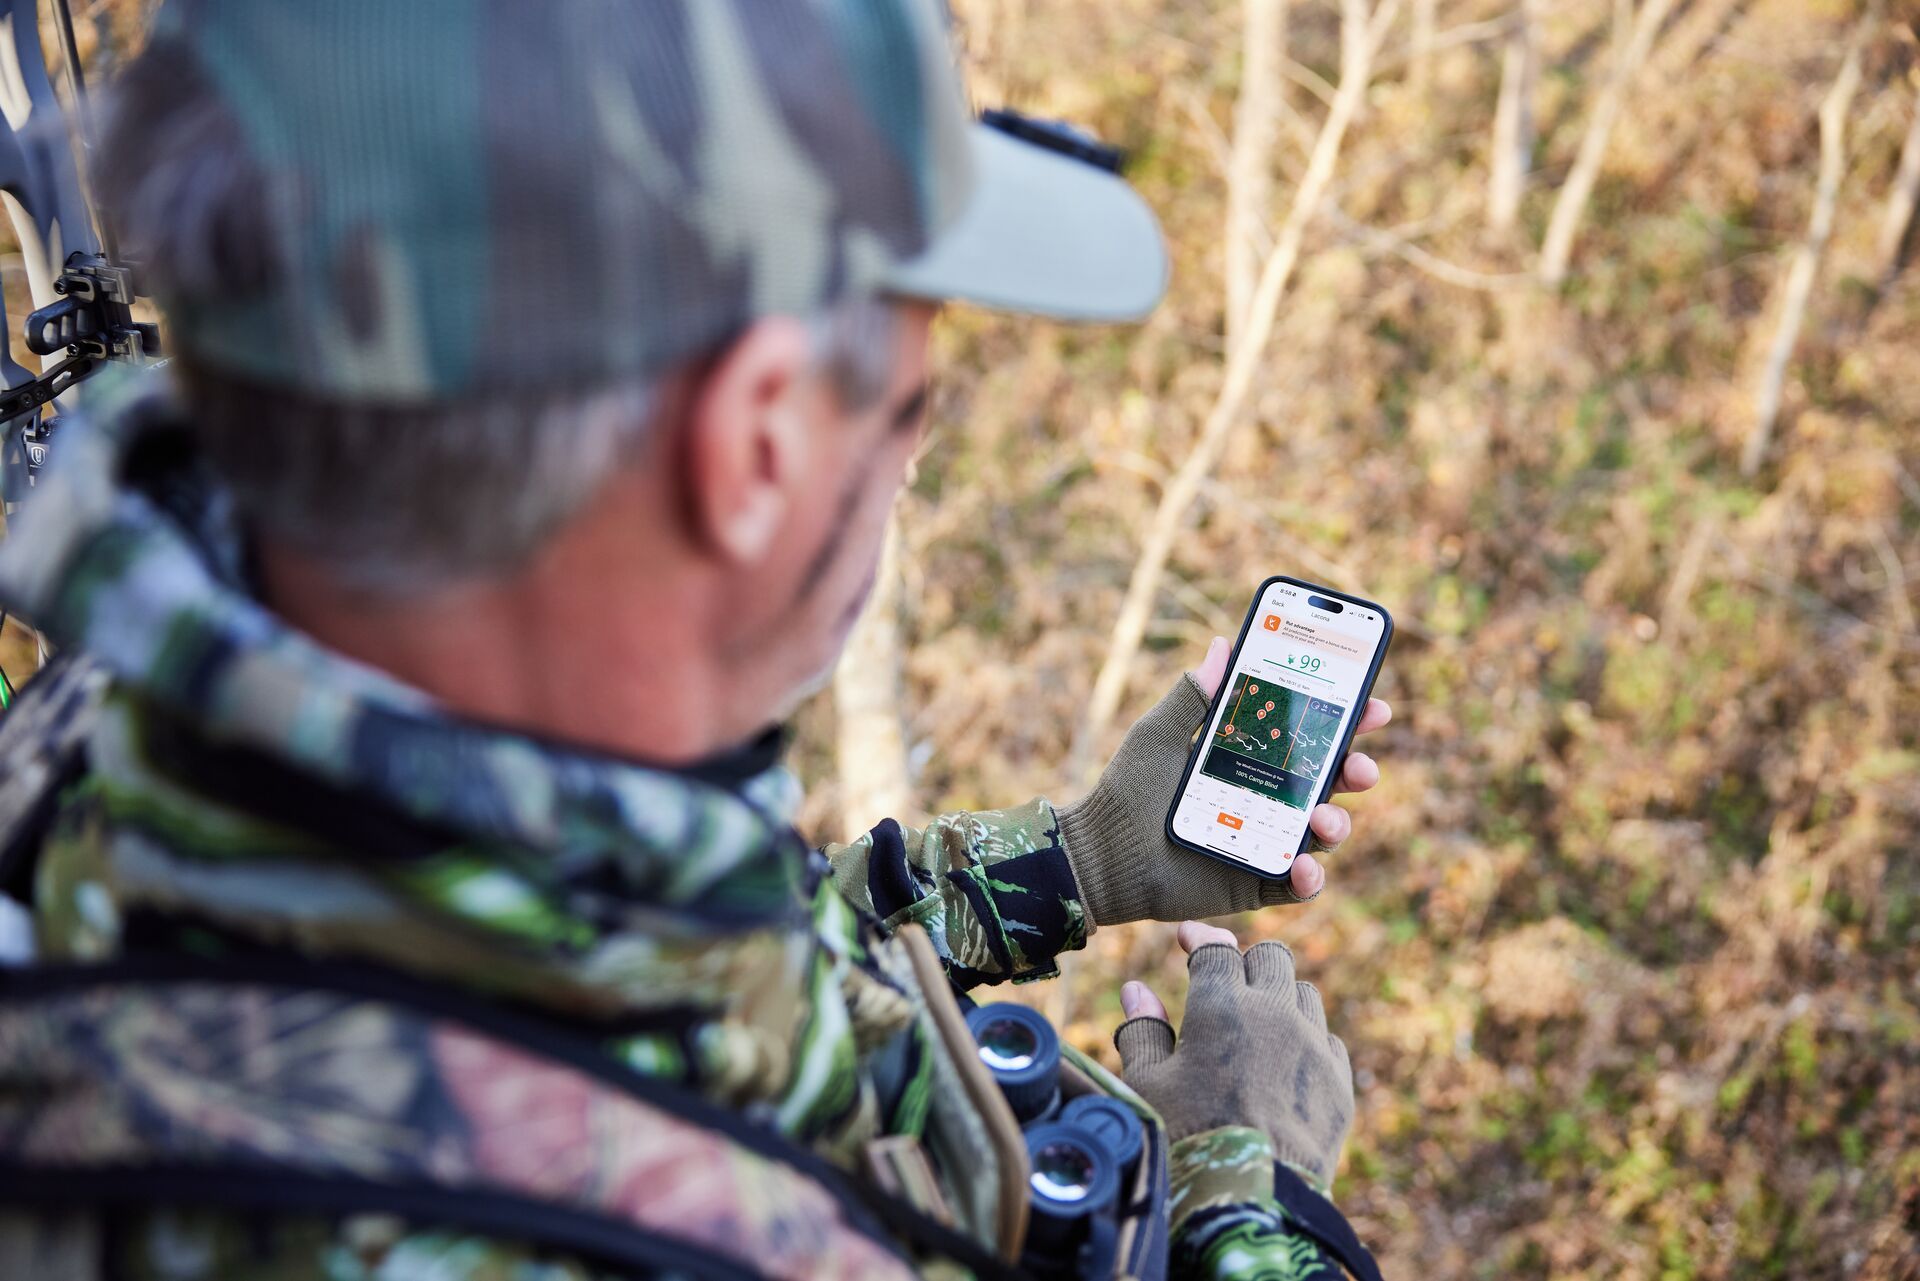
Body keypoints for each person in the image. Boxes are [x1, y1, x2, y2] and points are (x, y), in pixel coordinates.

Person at [0, 2, 1390, 1278]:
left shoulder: (109, 727)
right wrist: (1250, 1198)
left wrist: (1069, 864)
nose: (906, 460)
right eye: (905, 402)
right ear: (753, 444)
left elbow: (614, 972)